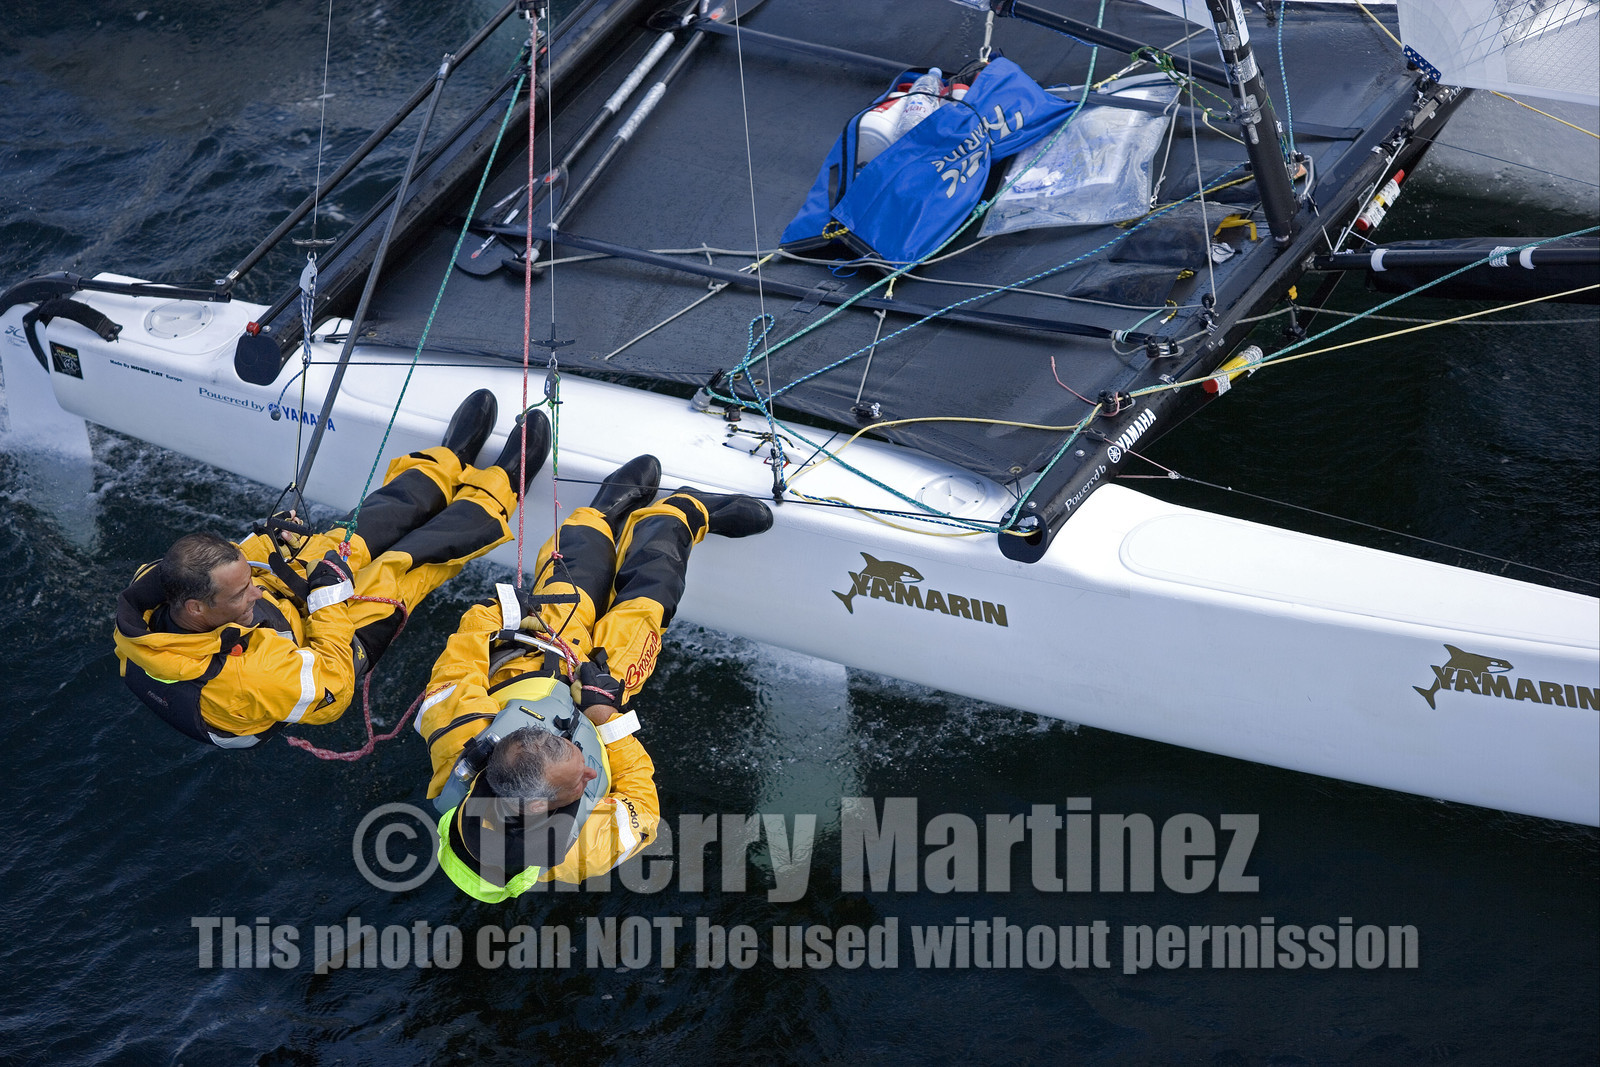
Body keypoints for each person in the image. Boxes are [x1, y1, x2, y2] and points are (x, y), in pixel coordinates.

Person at [418, 454, 771, 902]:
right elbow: (642, 802)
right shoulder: (590, 849)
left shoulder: (456, 744)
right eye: (579, 779)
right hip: (602, 696)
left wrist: (502, 615)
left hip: (535, 655)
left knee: (572, 580)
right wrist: (604, 715)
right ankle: (681, 513)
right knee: (646, 607)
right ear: (543, 806)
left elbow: (458, 664)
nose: (589, 772)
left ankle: (603, 511)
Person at [114, 389, 550, 749]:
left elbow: (239, 564)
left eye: (248, 581)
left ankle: (446, 460)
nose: (256, 592)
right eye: (241, 592)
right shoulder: (251, 679)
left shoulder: (161, 583)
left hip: (270, 626)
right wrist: (327, 603)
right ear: (194, 608)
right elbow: (334, 691)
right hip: (320, 659)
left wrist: (270, 541)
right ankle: (502, 485)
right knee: (402, 568)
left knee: (353, 533)